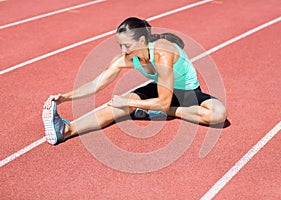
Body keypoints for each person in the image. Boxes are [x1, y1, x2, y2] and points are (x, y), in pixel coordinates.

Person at [43, 17, 228, 145]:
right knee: (116, 107)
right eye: (120, 45)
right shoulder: (127, 58)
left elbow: (163, 102)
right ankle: (66, 130)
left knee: (219, 114)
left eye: (127, 45)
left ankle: (152, 109)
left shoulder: (162, 53)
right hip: (159, 89)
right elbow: (95, 84)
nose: (123, 50)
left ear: (141, 39)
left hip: (187, 92)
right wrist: (64, 97)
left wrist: (130, 102)